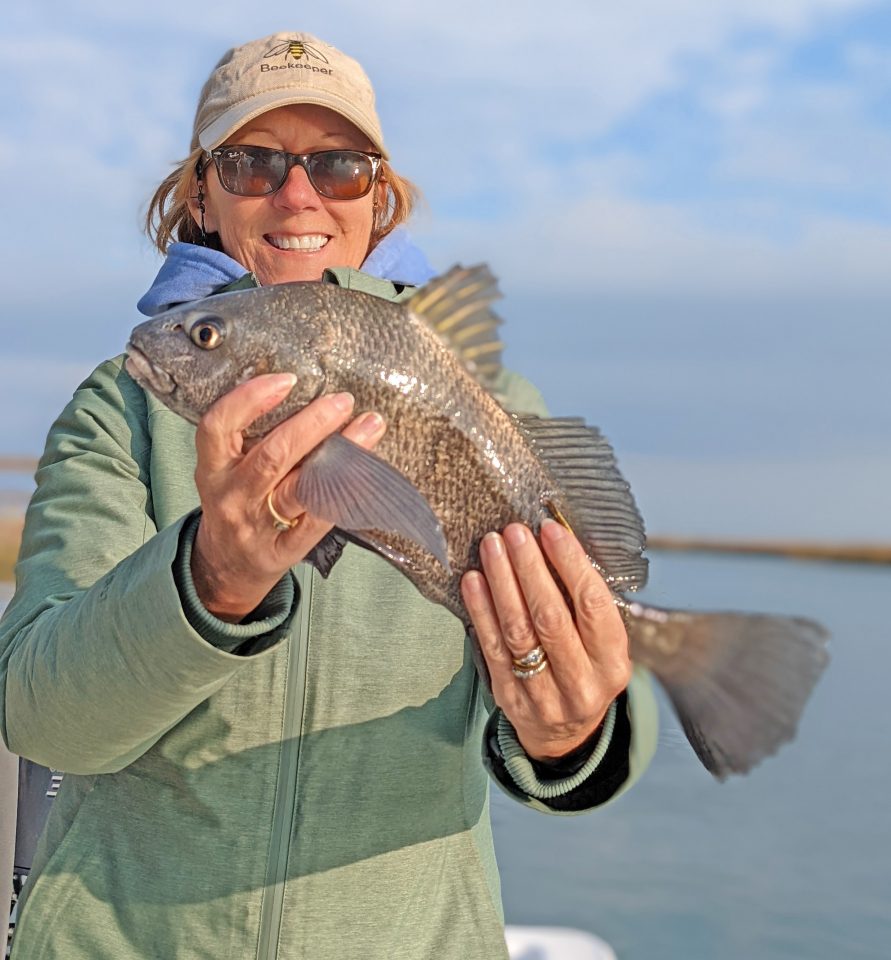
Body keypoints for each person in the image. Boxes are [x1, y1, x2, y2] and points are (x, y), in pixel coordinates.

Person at [0, 31, 657, 960]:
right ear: (201, 191)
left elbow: (583, 685)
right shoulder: (120, 408)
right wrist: (209, 580)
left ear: (377, 195)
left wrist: (574, 725)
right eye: (251, 161)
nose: (297, 194)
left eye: (338, 166)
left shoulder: (489, 403)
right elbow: (42, 716)